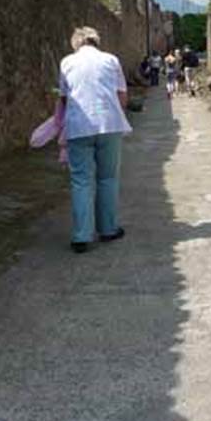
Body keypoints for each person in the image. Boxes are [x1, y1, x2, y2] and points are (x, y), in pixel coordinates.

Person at [59, 27, 132, 253]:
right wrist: (113, 114)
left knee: (81, 180)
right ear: (95, 41)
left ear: (76, 44)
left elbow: (63, 97)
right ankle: (108, 229)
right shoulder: (111, 60)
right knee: (107, 177)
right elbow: (122, 95)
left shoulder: (66, 63)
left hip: (78, 125)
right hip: (109, 124)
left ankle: (81, 235)